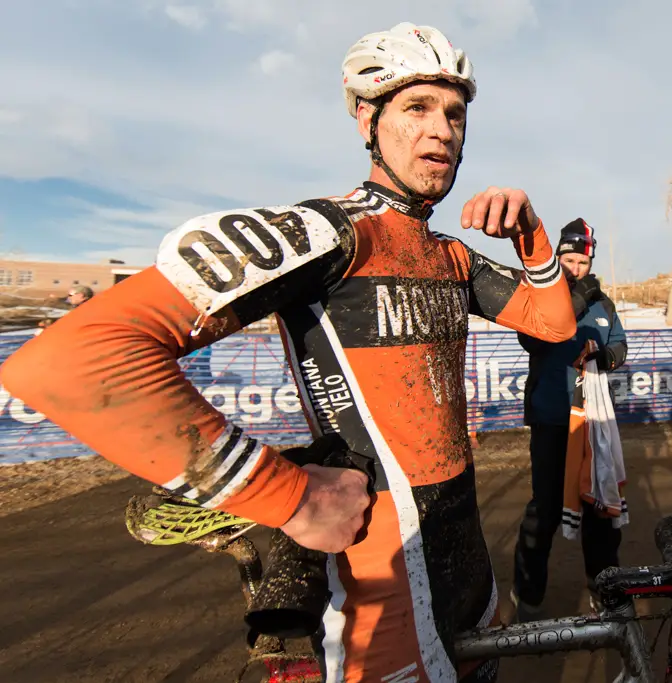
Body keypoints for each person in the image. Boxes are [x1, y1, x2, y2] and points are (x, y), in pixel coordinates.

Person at [0, 22, 577, 683]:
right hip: (379, 585)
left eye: (455, 112)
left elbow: (554, 325)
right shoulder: (329, 231)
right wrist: (287, 494)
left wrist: (531, 233)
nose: (442, 129)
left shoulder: (449, 254)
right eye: (417, 107)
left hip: (471, 569)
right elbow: (71, 357)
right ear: (367, 117)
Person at [510, 217, 628, 622]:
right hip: (552, 419)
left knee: (599, 508)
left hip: (592, 421)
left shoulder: (604, 304)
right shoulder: (541, 296)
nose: (574, 267)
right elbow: (532, 338)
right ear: (557, 257)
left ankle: (604, 588)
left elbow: (620, 345)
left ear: (589, 261)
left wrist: (606, 356)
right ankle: (528, 596)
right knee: (543, 511)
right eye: (568, 259)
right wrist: (574, 296)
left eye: (581, 261)